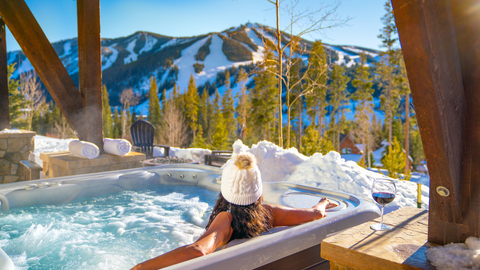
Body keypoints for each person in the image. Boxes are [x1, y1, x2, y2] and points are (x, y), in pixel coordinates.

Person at [131, 152, 337, 270]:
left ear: (226, 190)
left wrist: (140, 268)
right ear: (257, 189)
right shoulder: (268, 213)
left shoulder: (225, 220)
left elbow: (198, 250)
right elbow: (315, 214)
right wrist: (323, 203)